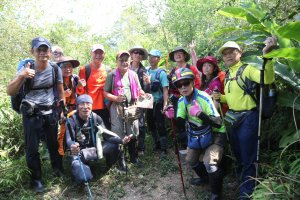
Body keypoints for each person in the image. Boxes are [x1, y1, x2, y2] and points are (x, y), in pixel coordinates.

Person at [213, 37, 277, 199]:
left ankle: (247, 191)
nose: (228, 56)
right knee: (238, 154)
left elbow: (266, 79)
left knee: (248, 155)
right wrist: (219, 97)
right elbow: (231, 98)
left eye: (231, 52)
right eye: (225, 54)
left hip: (249, 118)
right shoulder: (227, 74)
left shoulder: (247, 69)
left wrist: (267, 57)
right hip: (233, 118)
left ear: (239, 53)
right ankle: (243, 181)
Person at [6, 36, 65, 193]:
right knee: (32, 148)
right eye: (39, 49)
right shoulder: (26, 68)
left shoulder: (55, 69)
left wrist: (61, 108)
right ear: (32, 51)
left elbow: (60, 90)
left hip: (51, 111)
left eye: (45, 49)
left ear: (50, 52)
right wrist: (21, 76)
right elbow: (9, 91)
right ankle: (36, 180)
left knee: (53, 144)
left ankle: (58, 169)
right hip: (31, 113)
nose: (42, 53)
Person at [172, 67, 226, 200]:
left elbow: (218, 122)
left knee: (209, 163)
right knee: (190, 159)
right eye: (179, 85)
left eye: (186, 83)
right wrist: (172, 116)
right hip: (198, 135)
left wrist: (201, 114)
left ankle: (216, 193)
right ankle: (205, 178)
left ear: (193, 82)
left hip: (216, 134)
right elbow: (180, 122)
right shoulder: (181, 101)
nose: (183, 87)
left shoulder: (204, 97)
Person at [66, 94, 132, 184]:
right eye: (82, 104)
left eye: (88, 104)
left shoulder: (95, 117)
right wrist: (72, 145)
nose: (85, 107)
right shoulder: (71, 121)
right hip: (78, 152)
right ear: (77, 107)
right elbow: (69, 139)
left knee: (115, 145)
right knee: (84, 178)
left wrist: (121, 140)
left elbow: (107, 136)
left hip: (93, 150)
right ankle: (79, 173)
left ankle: (109, 166)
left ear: (92, 106)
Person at [104, 50, 145, 170]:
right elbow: (105, 92)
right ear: (117, 61)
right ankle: (121, 160)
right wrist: (116, 98)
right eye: (121, 60)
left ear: (129, 61)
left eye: (126, 60)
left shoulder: (133, 74)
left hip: (132, 107)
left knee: (132, 131)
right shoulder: (111, 75)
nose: (124, 62)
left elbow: (139, 89)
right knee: (118, 134)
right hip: (116, 108)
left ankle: (133, 157)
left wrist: (144, 94)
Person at [168, 46, 201, 148]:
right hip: (178, 100)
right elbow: (171, 87)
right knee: (180, 121)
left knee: (193, 119)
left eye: (180, 53)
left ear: (184, 55)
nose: (178, 55)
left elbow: (198, 83)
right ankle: (184, 144)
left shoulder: (191, 68)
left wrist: (192, 95)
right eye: (175, 53)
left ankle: (196, 143)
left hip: (192, 98)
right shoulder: (173, 71)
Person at [76, 44, 111, 130]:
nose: (98, 55)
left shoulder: (108, 70)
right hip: (90, 107)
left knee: (106, 130)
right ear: (91, 53)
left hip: (105, 107)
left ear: (104, 54)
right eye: (96, 52)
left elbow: (111, 89)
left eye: (101, 53)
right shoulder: (84, 69)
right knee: (91, 133)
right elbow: (80, 91)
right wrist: (79, 86)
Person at [144, 49, 169, 156]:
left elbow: (165, 90)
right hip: (148, 103)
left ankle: (164, 147)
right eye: (150, 56)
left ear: (158, 59)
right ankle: (157, 143)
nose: (151, 59)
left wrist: (165, 104)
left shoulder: (161, 73)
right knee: (150, 124)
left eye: (153, 57)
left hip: (158, 103)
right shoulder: (147, 71)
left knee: (160, 124)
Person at [56, 56, 80, 156]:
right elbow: (50, 99)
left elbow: (79, 95)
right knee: (60, 134)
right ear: (59, 68)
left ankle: (73, 151)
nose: (68, 69)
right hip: (59, 111)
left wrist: (79, 87)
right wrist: (62, 96)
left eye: (70, 66)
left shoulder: (74, 79)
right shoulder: (55, 81)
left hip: (72, 110)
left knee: (73, 131)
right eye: (64, 67)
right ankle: (59, 154)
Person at [128, 46, 148, 155]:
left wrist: (147, 83)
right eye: (135, 52)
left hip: (139, 101)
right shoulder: (125, 67)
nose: (138, 55)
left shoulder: (144, 71)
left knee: (140, 124)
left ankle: (141, 147)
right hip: (126, 100)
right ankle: (130, 147)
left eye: (140, 53)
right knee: (127, 123)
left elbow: (146, 90)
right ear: (131, 54)